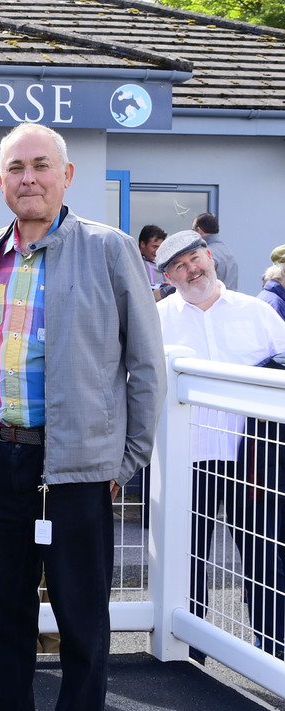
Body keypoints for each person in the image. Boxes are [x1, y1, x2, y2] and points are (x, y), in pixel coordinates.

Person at [0, 123, 165, 711]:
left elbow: (145, 368)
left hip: (74, 468)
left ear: (66, 178)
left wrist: (127, 458)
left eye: (41, 166)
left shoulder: (108, 249)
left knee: (80, 616)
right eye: (15, 168)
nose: (28, 178)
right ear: (0, 180)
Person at [154, 230, 285, 659]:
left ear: (210, 256)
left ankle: (274, 653)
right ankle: (187, 658)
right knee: (187, 560)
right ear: (169, 277)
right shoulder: (158, 320)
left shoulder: (258, 313)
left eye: (194, 259)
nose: (191, 270)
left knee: (267, 560)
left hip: (255, 461)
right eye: (178, 267)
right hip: (186, 460)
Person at [192, 212, 239, 290]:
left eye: (193, 230)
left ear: (199, 231)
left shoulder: (205, 254)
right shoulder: (228, 253)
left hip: (212, 300)